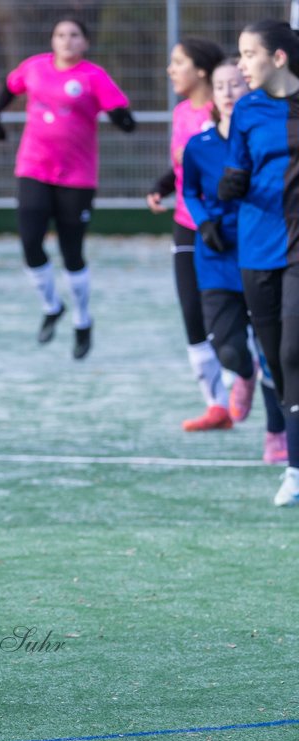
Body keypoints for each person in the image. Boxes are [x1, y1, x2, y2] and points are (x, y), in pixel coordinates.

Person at [0, 18, 136, 359]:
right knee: (30, 243)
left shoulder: (93, 77)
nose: (67, 41)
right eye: (60, 35)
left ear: (84, 43)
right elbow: (9, 89)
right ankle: (52, 306)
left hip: (77, 177)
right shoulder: (34, 68)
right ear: (52, 40)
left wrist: (122, 118)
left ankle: (83, 320)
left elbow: (122, 114)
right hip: (33, 168)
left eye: (74, 35)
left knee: (72, 253)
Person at [182, 57, 287, 463]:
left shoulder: (264, 137)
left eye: (236, 85)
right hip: (217, 261)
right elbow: (189, 190)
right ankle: (242, 375)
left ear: (250, 91)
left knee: (273, 351)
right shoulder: (200, 145)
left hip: (262, 253)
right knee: (229, 350)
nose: (227, 92)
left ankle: (276, 433)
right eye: (220, 86)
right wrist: (205, 223)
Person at [219, 20, 299, 505]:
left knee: (293, 353)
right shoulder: (247, 109)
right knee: (275, 360)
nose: (241, 63)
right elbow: (239, 168)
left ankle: (294, 469)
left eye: (249, 54)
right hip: (256, 246)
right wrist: (232, 185)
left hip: (297, 246)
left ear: (278, 59)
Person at [147, 38, 240, 432]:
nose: (171, 70)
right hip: (188, 221)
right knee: (191, 311)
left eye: (178, 62)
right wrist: (163, 185)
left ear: (201, 70)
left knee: (242, 312)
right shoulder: (182, 112)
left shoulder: (230, 110)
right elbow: (186, 164)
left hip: (231, 225)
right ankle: (216, 406)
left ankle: (248, 381)